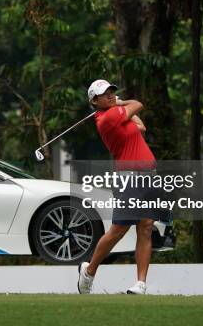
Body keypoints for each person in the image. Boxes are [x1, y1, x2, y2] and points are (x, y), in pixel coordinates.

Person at [77, 79, 157, 295]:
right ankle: (89, 272)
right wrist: (123, 103)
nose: (111, 95)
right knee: (119, 229)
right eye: (106, 94)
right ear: (95, 101)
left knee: (146, 226)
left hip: (148, 175)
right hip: (128, 177)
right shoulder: (107, 118)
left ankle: (140, 283)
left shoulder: (117, 115)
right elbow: (138, 104)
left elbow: (141, 126)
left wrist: (121, 106)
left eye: (112, 92)